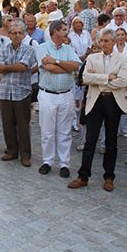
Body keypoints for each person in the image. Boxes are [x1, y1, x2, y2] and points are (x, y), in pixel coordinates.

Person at [70, 29, 127, 192]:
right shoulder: (92, 58)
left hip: (113, 101)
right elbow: (85, 78)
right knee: (90, 140)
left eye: (106, 41)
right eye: (101, 41)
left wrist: (98, 79)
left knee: (111, 141)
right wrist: (107, 77)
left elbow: (122, 82)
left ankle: (109, 176)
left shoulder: (122, 59)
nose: (102, 43)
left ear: (113, 42)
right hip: (95, 101)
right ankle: (83, 176)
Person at [37, 20, 82, 178]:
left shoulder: (68, 48)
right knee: (47, 131)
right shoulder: (42, 48)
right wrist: (65, 67)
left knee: (64, 131)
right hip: (48, 94)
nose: (66, 33)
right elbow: (48, 68)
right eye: (63, 29)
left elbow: (76, 65)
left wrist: (56, 61)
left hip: (66, 94)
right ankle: (48, 161)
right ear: (55, 31)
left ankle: (64, 163)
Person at [0, 20, 38, 166]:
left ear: (23, 34)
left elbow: (22, 67)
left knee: (23, 125)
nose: (16, 35)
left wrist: (6, 67)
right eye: (14, 33)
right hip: (5, 91)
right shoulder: (3, 49)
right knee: (7, 124)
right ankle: (11, 150)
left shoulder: (29, 49)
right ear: (9, 34)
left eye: (19, 33)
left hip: (22, 91)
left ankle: (25, 155)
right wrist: (12, 67)